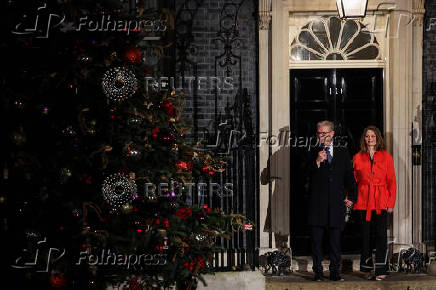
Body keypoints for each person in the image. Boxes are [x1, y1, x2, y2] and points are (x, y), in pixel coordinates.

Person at [308, 120, 357, 281]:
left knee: (335, 243)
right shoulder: (311, 150)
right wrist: (317, 161)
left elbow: (349, 177)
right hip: (317, 205)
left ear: (332, 134)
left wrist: (352, 197)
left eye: (325, 133)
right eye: (320, 133)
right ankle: (318, 273)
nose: (322, 136)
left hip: (336, 204)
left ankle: (335, 273)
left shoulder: (342, 152)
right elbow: (302, 174)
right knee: (317, 243)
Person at [352, 125, 396, 281]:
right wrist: (350, 198)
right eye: (367, 136)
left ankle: (382, 269)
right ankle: (366, 269)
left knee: (380, 236)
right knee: (365, 236)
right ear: (364, 139)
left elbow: (391, 181)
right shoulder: (357, 157)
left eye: (372, 136)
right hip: (363, 201)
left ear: (378, 138)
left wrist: (391, 202)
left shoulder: (386, 157)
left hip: (381, 201)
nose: (369, 139)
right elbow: (353, 181)